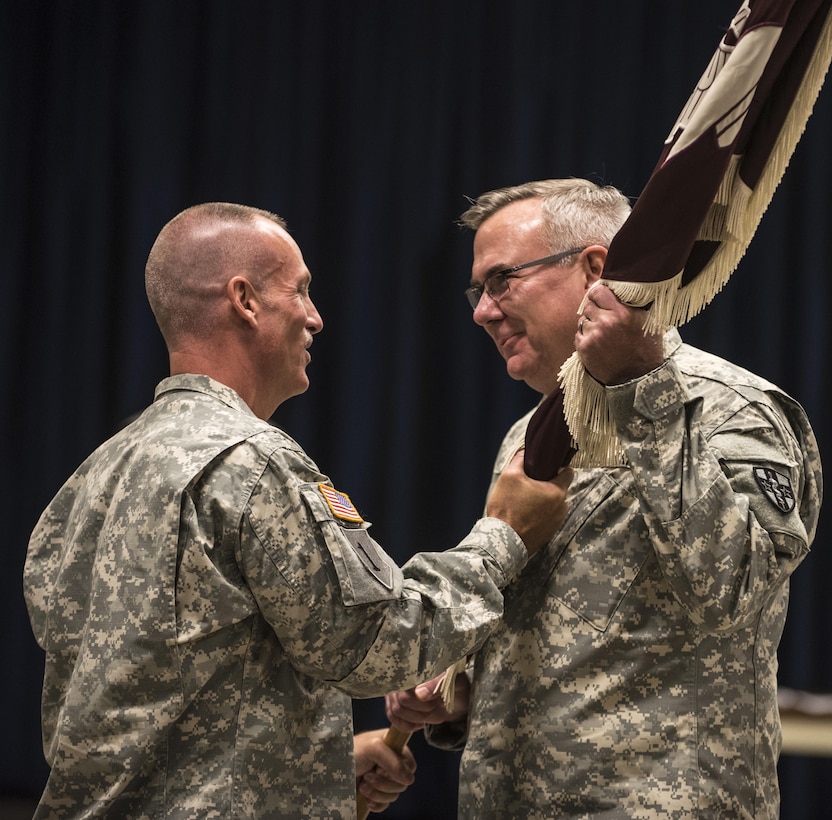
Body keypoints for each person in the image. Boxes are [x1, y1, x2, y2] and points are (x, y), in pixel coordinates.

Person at [23, 202, 573, 818]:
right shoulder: (251, 462)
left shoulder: (87, 480)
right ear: (245, 301)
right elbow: (376, 644)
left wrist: (318, 775)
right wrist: (502, 538)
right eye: (302, 291)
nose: (315, 318)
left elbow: (149, 723)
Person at [385, 178, 822, 818]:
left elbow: (732, 595)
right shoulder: (530, 432)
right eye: (477, 290)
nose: (483, 310)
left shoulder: (735, 409)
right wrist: (458, 690)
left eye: (502, 280)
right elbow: (570, 640)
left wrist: (644, 388)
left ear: (595, 269)